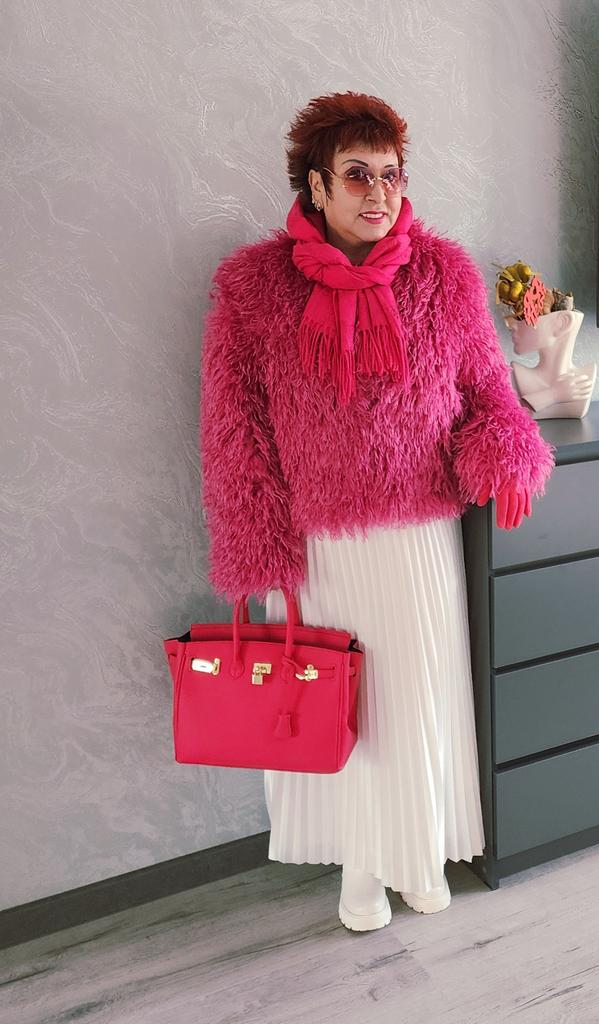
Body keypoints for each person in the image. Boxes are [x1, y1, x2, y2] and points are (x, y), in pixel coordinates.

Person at [199, 91, 556, 931]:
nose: (378, 192)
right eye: (356, 174)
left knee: (418, 701)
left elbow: (487, 394)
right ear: (316, 185)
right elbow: (233, 431)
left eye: (390, 175)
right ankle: (360, 869)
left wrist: (509, 455)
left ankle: (418, 853)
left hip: (421, 533)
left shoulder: (443, 277)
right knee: (346, 711)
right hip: (322, 544)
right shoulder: (255, 289)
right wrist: (261, 549)